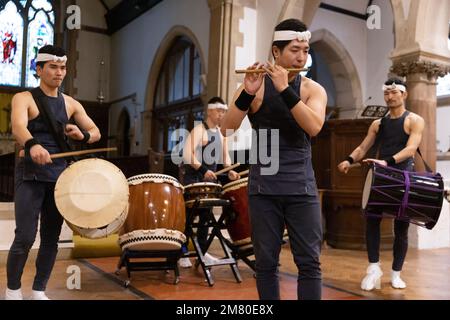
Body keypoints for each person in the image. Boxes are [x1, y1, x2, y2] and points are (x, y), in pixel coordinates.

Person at [221, 19, 327, 300]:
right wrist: (247, 92)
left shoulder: (312, 89)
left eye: (305, 50)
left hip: (301, 186)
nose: (302, 57)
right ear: (276, 53)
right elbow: (226, 128)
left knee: (309, 263)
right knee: (266, 264)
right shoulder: (255, 86)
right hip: (263, 188)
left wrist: (284, 89)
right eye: (295, 50)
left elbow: (314, 126)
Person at [6, 45, 101, 300]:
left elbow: (95, 132)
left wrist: (83, 135)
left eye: (63, 67)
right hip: (30, 174)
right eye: (53, 67)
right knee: (25, 236)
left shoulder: (70, 103)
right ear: (39, 69)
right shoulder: (23, 98)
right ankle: (12, 290)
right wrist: (32, 144)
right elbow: (18, 127)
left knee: (51, 238)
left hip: (59, 178)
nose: (59, 72)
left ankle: (39, 290)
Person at [337, 78, 424, 291]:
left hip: (403, 176)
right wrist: (349, 160)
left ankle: (396, 273)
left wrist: (387, 161)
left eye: (394, 92)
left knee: (401, 228)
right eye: (387, 93)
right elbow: (363, 147)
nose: (390, 96)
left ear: (404, 94)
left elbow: (411, 149)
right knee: (372, 221)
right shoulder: (378, 123)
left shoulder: (414, 120)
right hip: (380, 177)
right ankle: (374, 268)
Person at [179, 97, 240, 268]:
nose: (222, 114)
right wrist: (203, 170)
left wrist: (230, 172)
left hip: (209, 184)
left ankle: (202, 253)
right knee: (189, 219)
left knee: (206, 218)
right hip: (194, 180)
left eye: (224, 111)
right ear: (209, 111)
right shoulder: (199, 130)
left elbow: (225, 159)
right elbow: (186, 154)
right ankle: (182, 253)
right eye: (219, 111)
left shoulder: (222, 133)